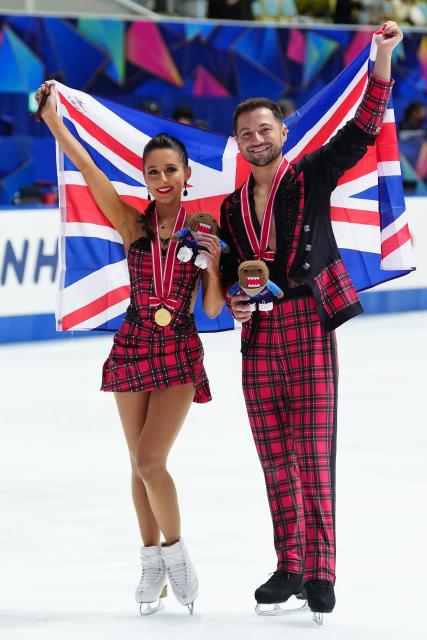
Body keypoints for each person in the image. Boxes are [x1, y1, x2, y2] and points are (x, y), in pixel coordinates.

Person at [220, 21, 403, 621]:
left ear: (282, 133)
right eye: (246, 133)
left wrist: (379, 56)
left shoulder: (310, 174)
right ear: (237, 142)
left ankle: (320, 571)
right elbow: (227, 272)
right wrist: (235, 298)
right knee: (274, 456)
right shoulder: (227, 207)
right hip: (258, 336)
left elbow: (364, 128)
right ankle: (289, 564)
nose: (255, 139)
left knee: (313, 452)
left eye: (264, 129)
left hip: (307, 322)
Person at [35, 82, 224, 615]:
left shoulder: (204, 230)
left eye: (171, 170)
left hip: (180, 348)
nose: (163, 179)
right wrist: (54, 122)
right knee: (136, 465)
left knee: (150, 458)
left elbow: (213, 310)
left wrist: (212, 267)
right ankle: (151, 566)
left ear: (187, 176)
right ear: (145, 178)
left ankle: (177, 553)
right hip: (134, 343)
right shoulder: (133, 225)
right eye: (153, 172)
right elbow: (91, 170)